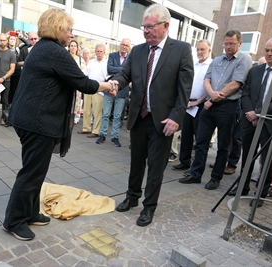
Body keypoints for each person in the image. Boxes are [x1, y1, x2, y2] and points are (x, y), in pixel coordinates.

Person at [2, 8, 116, 241]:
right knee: (32, 172)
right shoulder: (55, 51)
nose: (72, 34)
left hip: (30, 118)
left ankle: (31, 212)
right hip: (37, 121)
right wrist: (108, 85)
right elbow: (82, 82)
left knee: (36, 169)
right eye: (69, 29)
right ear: (57, 29)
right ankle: (13, 221)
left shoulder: (43, 47)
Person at [112, 3, 194, 227]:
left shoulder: (181, 50)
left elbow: (184, 89)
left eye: (150, 27)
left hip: (163, 120)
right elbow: (124, 74)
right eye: (143, 27)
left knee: (156, 166)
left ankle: (149, 207)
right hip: (139, 117)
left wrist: (177, 118)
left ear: (165, 26)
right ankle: (132, 197)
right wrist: (114, 84)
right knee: (136, 162)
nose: (145, 31)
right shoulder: (138, 50)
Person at [178, 30, 252, 190]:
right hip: (209, 105)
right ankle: (195, 174)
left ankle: (215, 177)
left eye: (231, 43)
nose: (228, 46)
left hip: (228, 107)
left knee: (223, 145)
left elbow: (235, 84)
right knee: (201, 141)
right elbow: (207, 79)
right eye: (225, 43)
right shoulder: (218, 60)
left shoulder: (244, 59)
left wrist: (211, 100)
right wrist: (211, 95)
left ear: (239, 43)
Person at [228, 37, 272, 207]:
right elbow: (246, 92)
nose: (269, 53)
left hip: (270, 123)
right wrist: (250, 114)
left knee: (267, 159)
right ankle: (243, 186)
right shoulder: (255, 70)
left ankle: (261, 193)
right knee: (247, 154)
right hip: (249, 121)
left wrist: (258, 114)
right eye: (267, 50)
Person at [172, 39, 212, 171]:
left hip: (200, 105)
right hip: (188, 103)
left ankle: (197, 167)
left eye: (203, 49)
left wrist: (198, 101)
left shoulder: (211, 66)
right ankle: (185, 161)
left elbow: (210, 87)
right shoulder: (193, 64)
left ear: (209, 50)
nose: (199, 52)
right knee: (186, 134)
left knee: (200, 138)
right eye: (198, 49)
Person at [96, 38, 131, 147]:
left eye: (126, 45)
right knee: (106, 113)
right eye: (122, 44)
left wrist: (118, 70)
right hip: (109, 88)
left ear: (128, 47)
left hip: (122, 90)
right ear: (120, 45)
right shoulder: (112, 55)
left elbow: (129, 72)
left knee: (117, 116)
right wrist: (123, 69)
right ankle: (102, 134)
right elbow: (109, 69)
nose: (124, 46)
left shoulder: (130, 58)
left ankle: (115, 137)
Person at [77, 44, 107, 138]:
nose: (99, 53)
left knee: (97, 111)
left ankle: (96, 130)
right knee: (86, 110)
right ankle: (86, 128)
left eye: (101, 51)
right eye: (97, 51)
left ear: (104, 52)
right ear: (95, 52)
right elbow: (85, 73)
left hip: (99, 89)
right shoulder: (91, 62)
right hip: (89, 88)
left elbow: (108, 77)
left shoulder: (106, 63)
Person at [69, 40, 85, 124]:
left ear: (77, 48)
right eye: (71, 46)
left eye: (74, 46)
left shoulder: (80, 60)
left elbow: (82, 71)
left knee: (77, 99)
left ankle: (76, 116)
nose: (73, 47)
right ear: (69, 47)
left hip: (76, 83)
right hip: (67, 82)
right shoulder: (66, 57)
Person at [7, 34, 21, 110]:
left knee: (15, 90)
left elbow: (28, 44)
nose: (12, 41)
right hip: (8, 73)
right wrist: (6, 36)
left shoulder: (18, 50)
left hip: (17, 73)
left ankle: (13, 107)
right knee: (8, 91)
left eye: (14, 39)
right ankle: (8, 106)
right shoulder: (5, 49)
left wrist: (20, 37)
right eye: (11, 39)